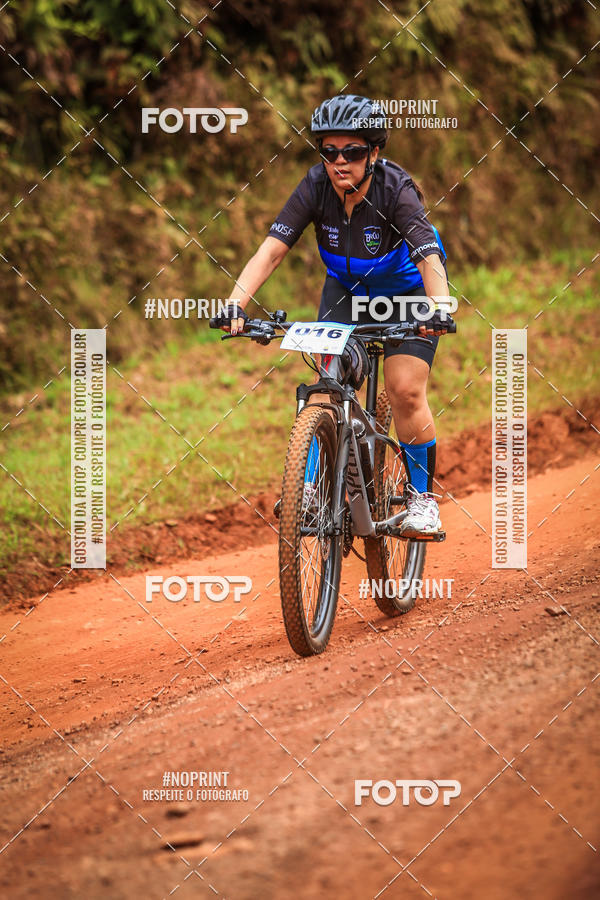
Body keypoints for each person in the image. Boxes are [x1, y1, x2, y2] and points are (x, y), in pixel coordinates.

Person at [217, 94, 451, 537]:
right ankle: (307, 491)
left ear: (374, 153)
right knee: (326, 386)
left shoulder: (395, 190)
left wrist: (439, 309)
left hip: (408, 292)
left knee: (404, 389)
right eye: (329, 151)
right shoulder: (315, 186)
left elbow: (428, 256)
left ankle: (422, 500)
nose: (339, 162)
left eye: (352, 151)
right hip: (345, 291)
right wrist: (235, 304)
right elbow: (271, 251)